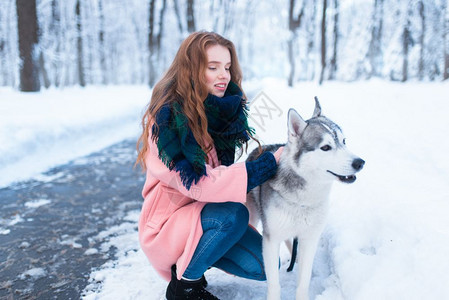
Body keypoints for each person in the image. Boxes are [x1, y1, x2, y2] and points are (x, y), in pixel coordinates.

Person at [136, 31, 283, 300]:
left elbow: (221, 178)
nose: (224, 75)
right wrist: (265, 166)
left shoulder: (217, 111)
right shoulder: (168, 120)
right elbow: (201, 185)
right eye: (212, 67)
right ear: (191, 70)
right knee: (233, 215)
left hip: (202, 218)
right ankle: (185, 286)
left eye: (227, 67)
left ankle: (196, 257)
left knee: (267, 265)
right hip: (165, 228)